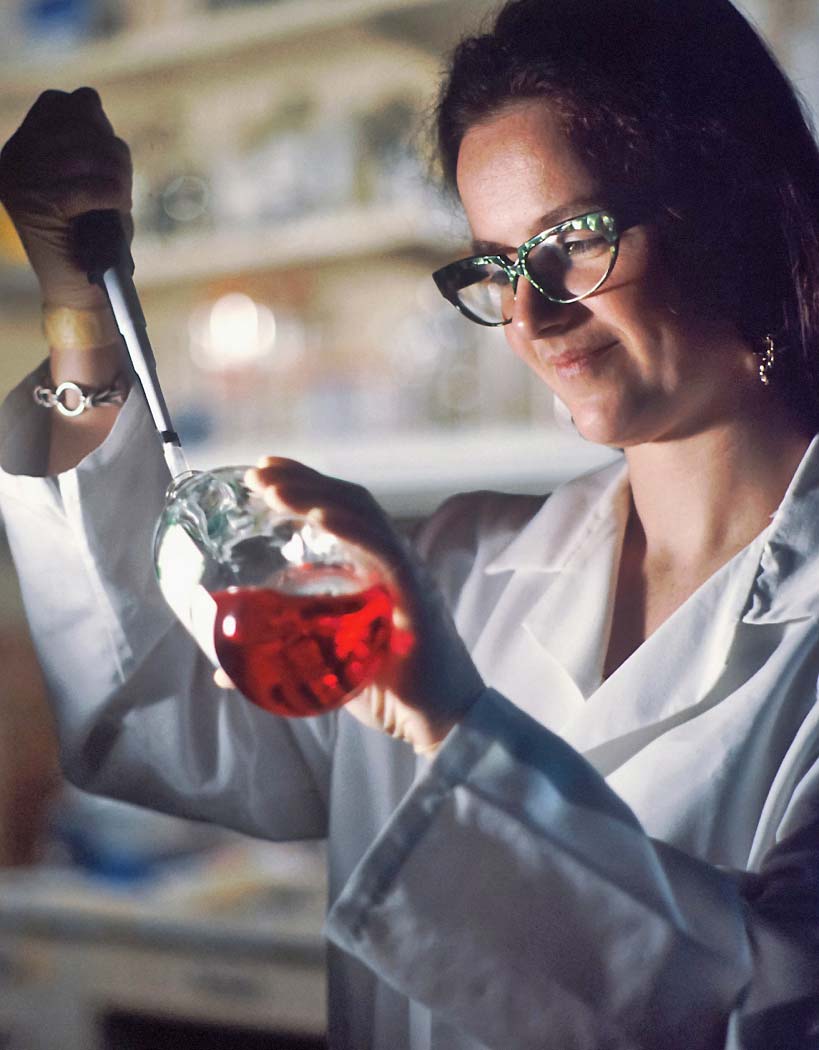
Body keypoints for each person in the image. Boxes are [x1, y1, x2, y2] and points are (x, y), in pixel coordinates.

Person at [0, 0, 818, 1046]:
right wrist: (79, 311)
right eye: (498, 264)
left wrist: (449, 718)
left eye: (573, 240)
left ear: (733, 207)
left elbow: (777, 1007)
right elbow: (143, 715)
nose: (530, 314)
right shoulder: (459, 565)